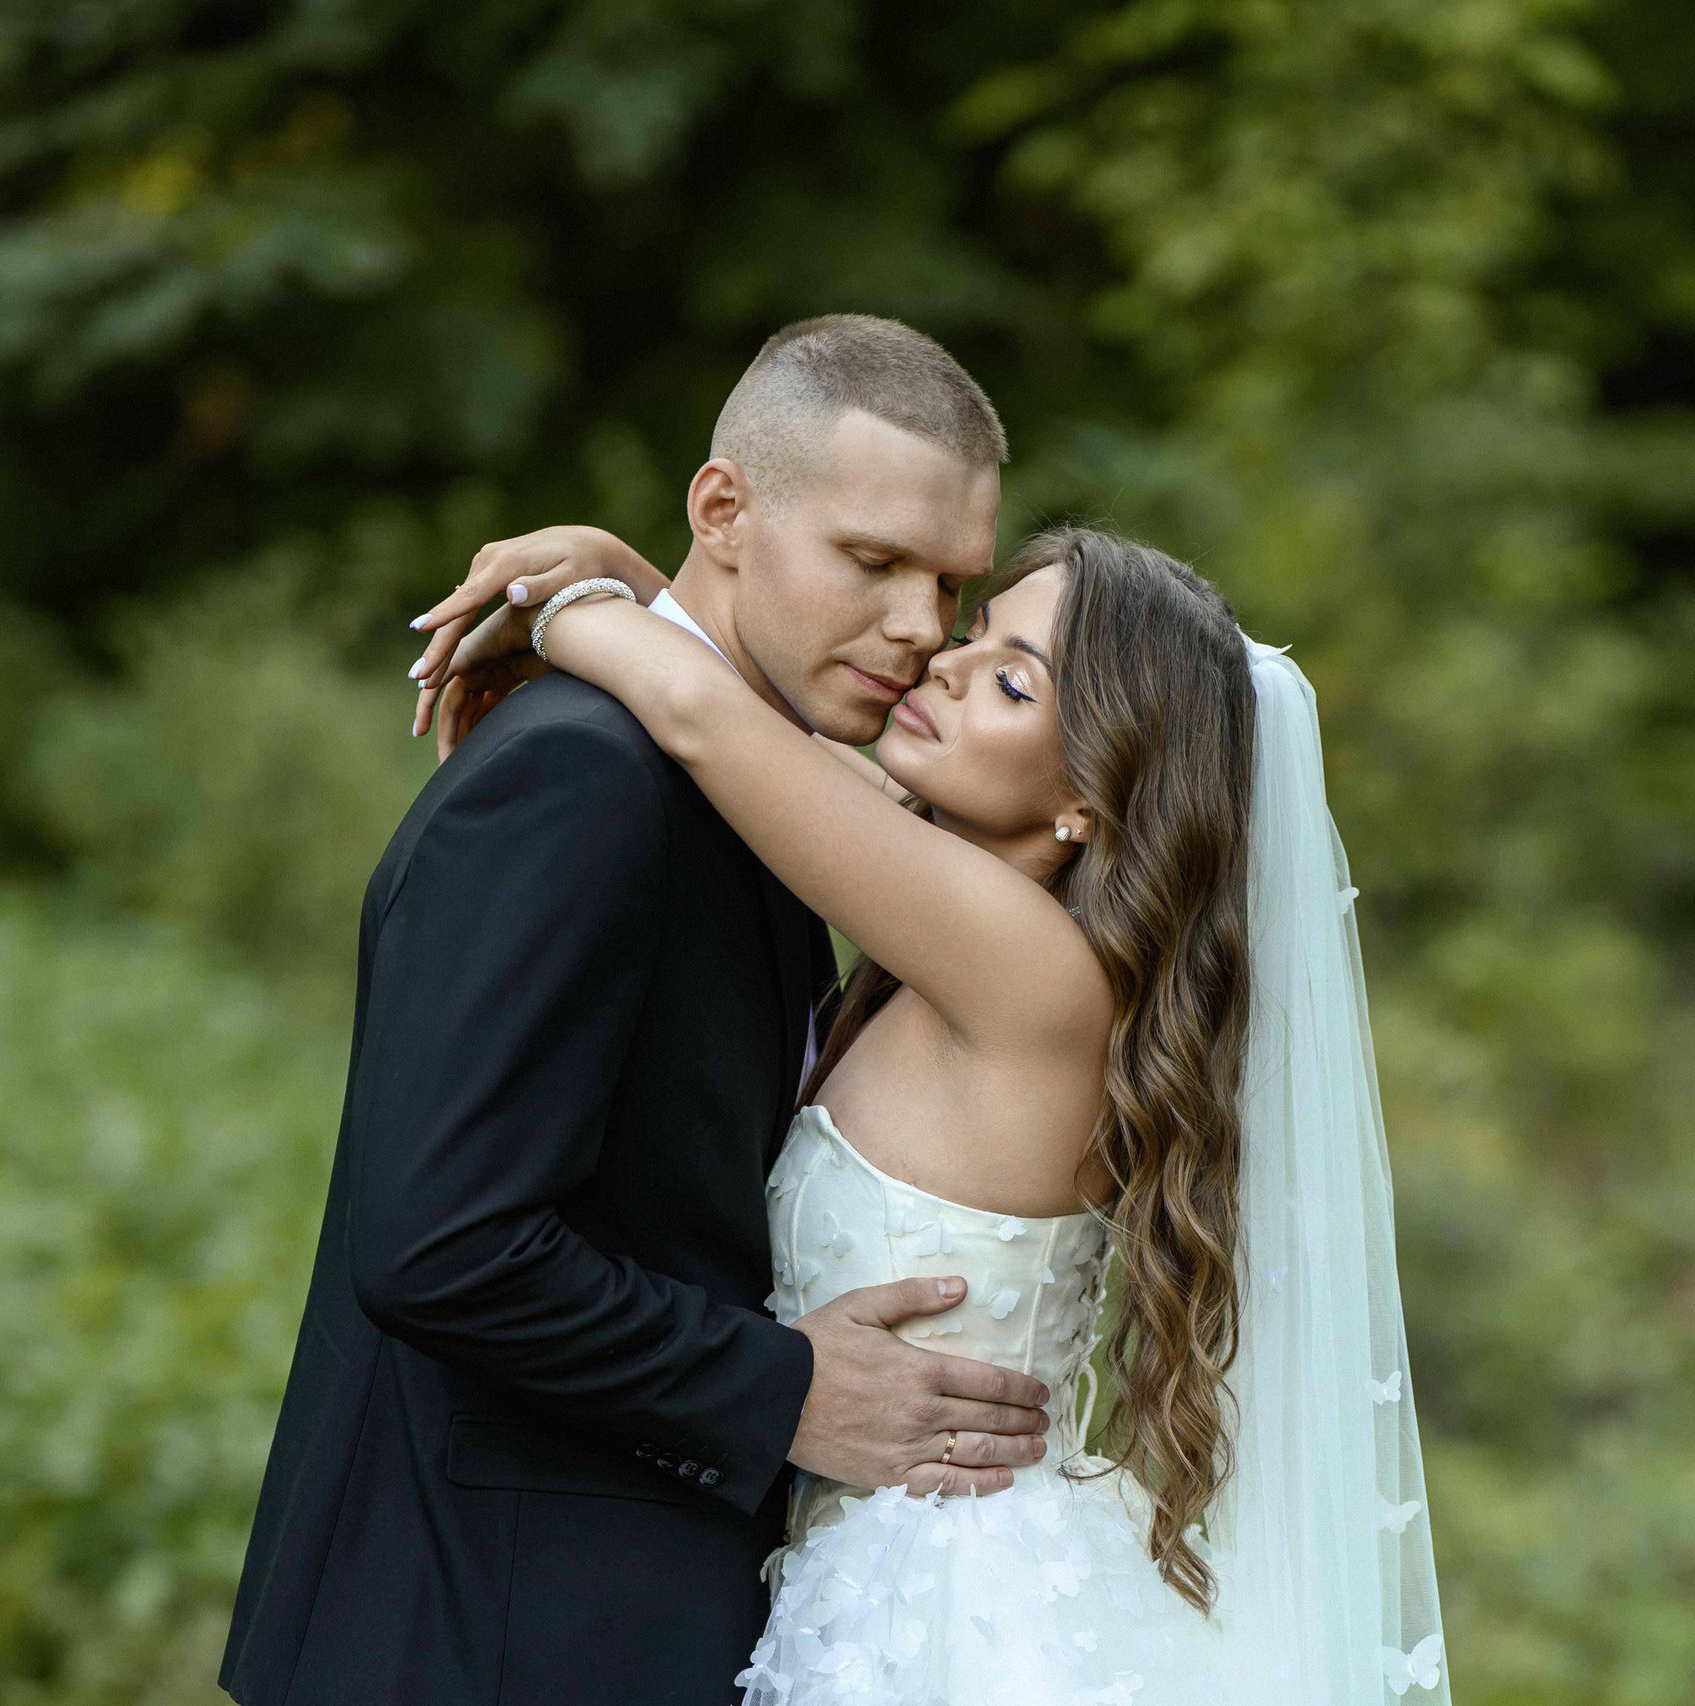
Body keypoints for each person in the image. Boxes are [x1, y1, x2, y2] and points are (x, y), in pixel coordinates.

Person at [405, 518, 1451, 1705]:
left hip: (953, 1605)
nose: (944, 664)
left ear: (1090, 796)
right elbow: (770, 742)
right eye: (976, 634)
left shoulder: (1028, 968)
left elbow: (707, 721)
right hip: (879, 1567)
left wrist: (557, 607)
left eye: (1012, 681)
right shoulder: (972, 912)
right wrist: (638, 578)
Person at [220, 316, 1062, 1706]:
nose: (922, 626)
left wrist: (611, 587)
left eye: (952, 583)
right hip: (474, 1638)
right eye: (873, 561)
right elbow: (442, 1244)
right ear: (723, 509)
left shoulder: (752, 776)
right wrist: (780, 1390)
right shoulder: (582, 776)